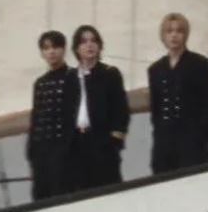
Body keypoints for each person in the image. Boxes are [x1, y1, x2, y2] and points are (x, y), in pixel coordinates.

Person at [147, 12, 208, 174]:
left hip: (192, 141)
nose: (174, 35)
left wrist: (201, 136)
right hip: (164, 143)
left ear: (186, 35)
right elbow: (156, 109)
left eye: (179, 31)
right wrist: (159, 136)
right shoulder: (155, 69)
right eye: (169, 31)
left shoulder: (200, 64)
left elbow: (207, 105)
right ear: (163, 36)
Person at [68, 24, 131, 189]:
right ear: (76, 48)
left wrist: (114, 142)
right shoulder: (70, 77)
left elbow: (121, 110)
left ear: (99, 45)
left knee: (108, 188)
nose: (89, 45)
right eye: (84, 42)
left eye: (93, 41)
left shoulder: (109, 74)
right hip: (78, 144)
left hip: (102, 142)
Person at [27, 30, 77, 200]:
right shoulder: (40, 83)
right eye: (46, 48)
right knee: (42, 195)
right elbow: (36, 119)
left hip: (64, 150)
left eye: (55, 47)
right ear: (42, 53)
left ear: (64, 49)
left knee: (62, 193)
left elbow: (74, 115)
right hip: (42, 151)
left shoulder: (74, 76)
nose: (51, 52)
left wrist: (69, 148)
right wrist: (32, 152)